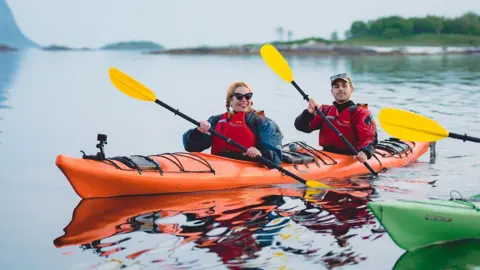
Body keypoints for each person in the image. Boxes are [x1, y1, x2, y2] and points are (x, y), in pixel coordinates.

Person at [182, 81, 284, 166]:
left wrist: (260, 153)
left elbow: (276, 158)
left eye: (248, 96)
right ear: (230, 100)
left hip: (248, 167)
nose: (244, 100)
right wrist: (198, 132)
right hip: (218, 166)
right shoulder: (216, 121)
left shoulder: (263, 123)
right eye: (239, 96)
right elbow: (190, 147)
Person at [294, 73, 377, 163]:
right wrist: (308, 113)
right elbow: (303, 127)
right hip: (326, 155)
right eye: (336, 87)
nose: (340, 89)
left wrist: (365, 152)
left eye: (344, 86)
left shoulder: (360, 113)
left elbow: (369, 138)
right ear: (332, 91)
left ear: (351, 89)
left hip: (350, 156)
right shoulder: (325, 111)